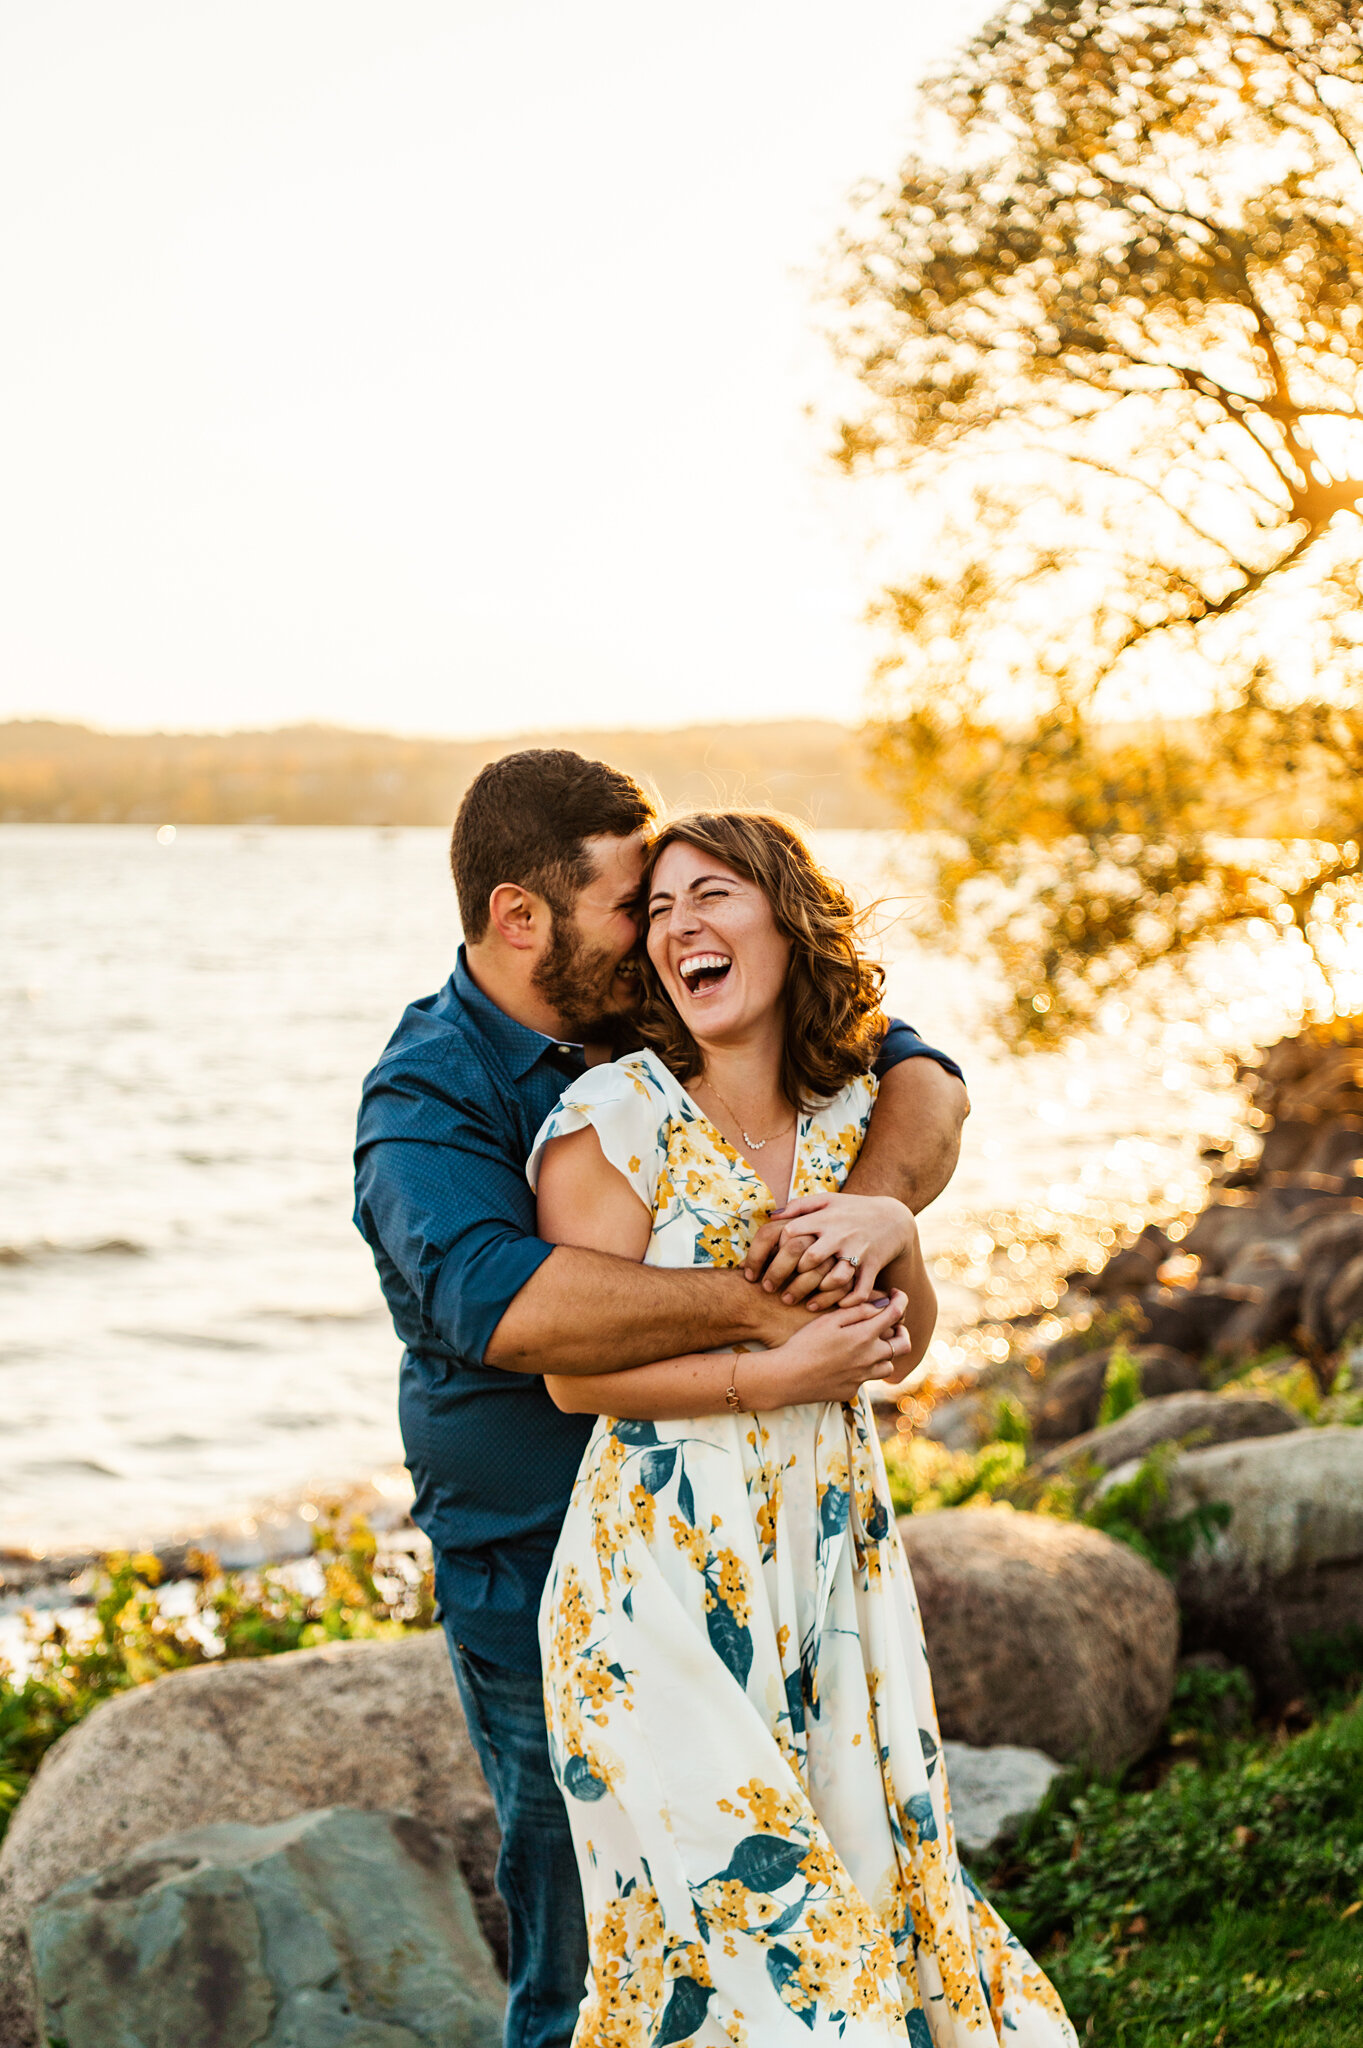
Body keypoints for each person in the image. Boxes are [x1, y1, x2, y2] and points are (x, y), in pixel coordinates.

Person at [353, 750, 970, 2048]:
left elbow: (913, 1073)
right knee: (602, 1965)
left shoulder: (652, 1006)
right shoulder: (425, 1097)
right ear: (523, 918)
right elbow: (505, 1308)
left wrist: (877, 1206)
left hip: (769, 1547)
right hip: (541, 1562)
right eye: (634, 904)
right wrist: (763, 1312)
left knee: (817, 1902)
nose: (660, 932)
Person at [530, 809, 1075, 2046]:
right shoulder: (611, 1119)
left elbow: (905, 1339)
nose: (681, 929)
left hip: (830, 1566)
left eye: (711, 895)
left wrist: (891, 1233)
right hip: (656, 1582)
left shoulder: (855, 1119)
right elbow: (571, 1379)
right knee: (773, 1951)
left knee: (871, 1904)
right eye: (659, 912)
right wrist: (782, 1367)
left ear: (786, 917)